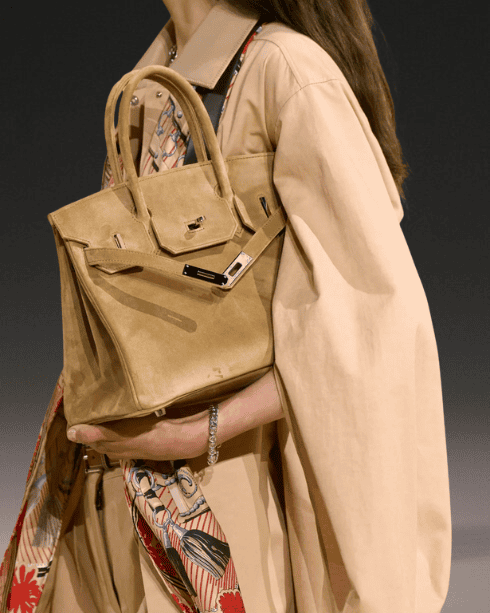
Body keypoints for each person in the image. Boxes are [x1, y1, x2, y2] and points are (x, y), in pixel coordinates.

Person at [0, 1, 452, 612]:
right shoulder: (155, 75)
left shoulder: (288, 71)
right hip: (101, 490)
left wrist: (198, 431)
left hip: (219, 495)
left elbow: (368, 328)